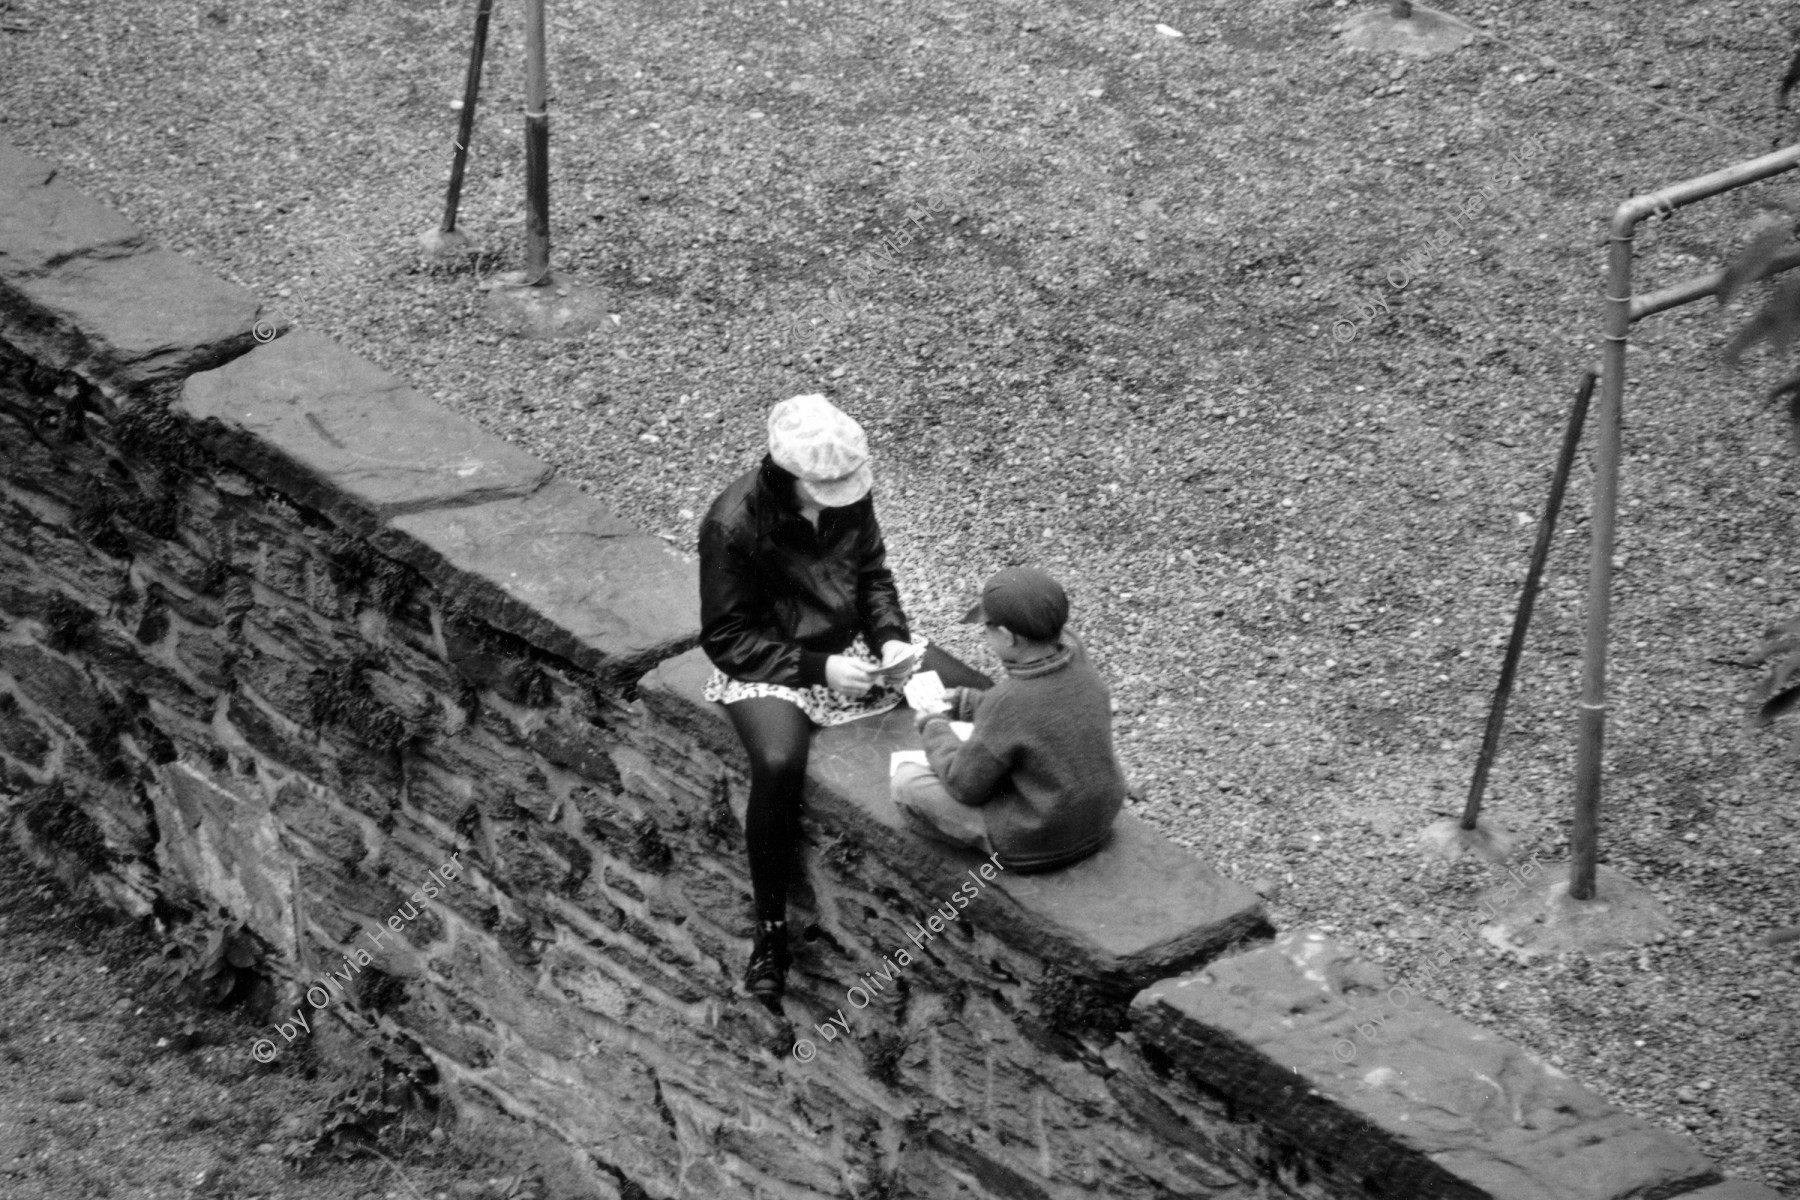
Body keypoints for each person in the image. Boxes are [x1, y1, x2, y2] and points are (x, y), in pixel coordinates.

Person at [698, 393, 992, 1000]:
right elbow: (727, 639)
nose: (842, 492)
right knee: (778, 764)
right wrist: (817, 668)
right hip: (772, 661)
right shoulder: (731, 524)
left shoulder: (850, 499)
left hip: (851, 645)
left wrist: (888, 641)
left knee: (973, 690)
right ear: (789, 473)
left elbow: (874, 578)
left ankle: (1042, 784)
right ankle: (772, 930)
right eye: (825, 484)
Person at [891, 566, 1126, 872]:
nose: (986, 636)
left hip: (1036, 839)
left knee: (907, 783)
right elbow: (1039, 713)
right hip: (1100, 819)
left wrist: (934, 726)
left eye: (986, 628)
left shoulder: (1007, 702)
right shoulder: (1075, 653)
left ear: (1007, 636)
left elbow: (964, 785)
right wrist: (969, 703)